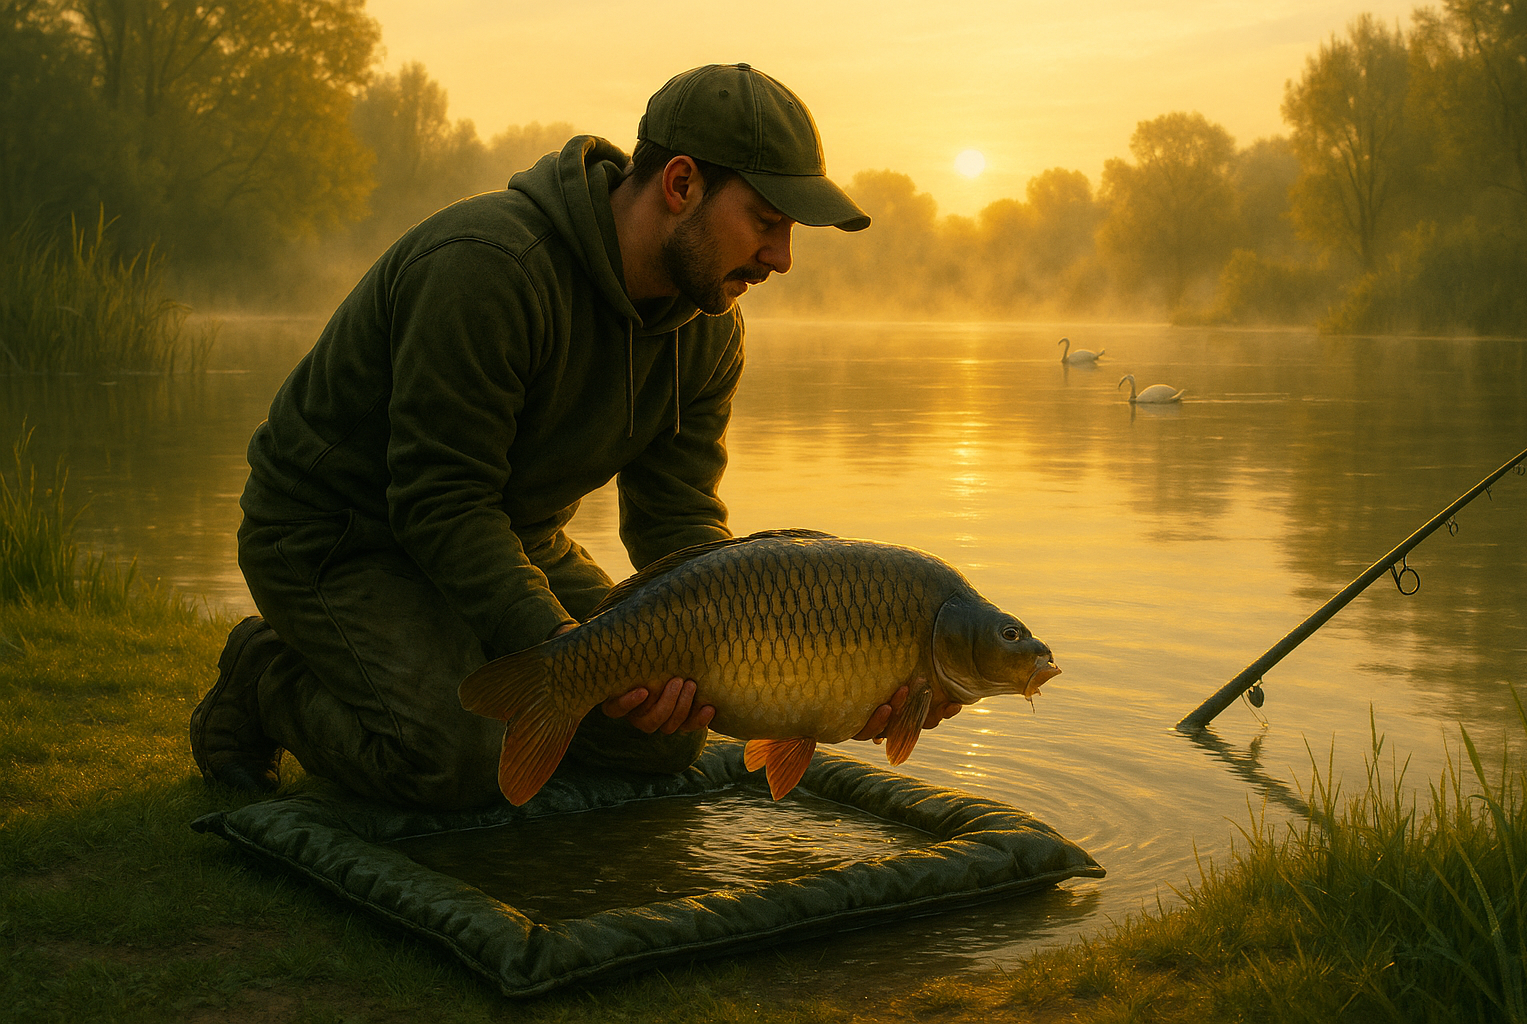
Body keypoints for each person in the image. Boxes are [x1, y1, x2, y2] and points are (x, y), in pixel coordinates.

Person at [190, 63, 956, 810]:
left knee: (659, 740)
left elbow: (676, 521)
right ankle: (266, 677)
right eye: (766, 222)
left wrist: (800, 682)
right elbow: (441, 502)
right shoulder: (490, 267)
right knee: (452, 761)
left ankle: (464, 661)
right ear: (681, 184)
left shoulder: (710, 327)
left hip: (517, 537)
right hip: (337, 536)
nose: (782, 259)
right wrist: (562, 654)